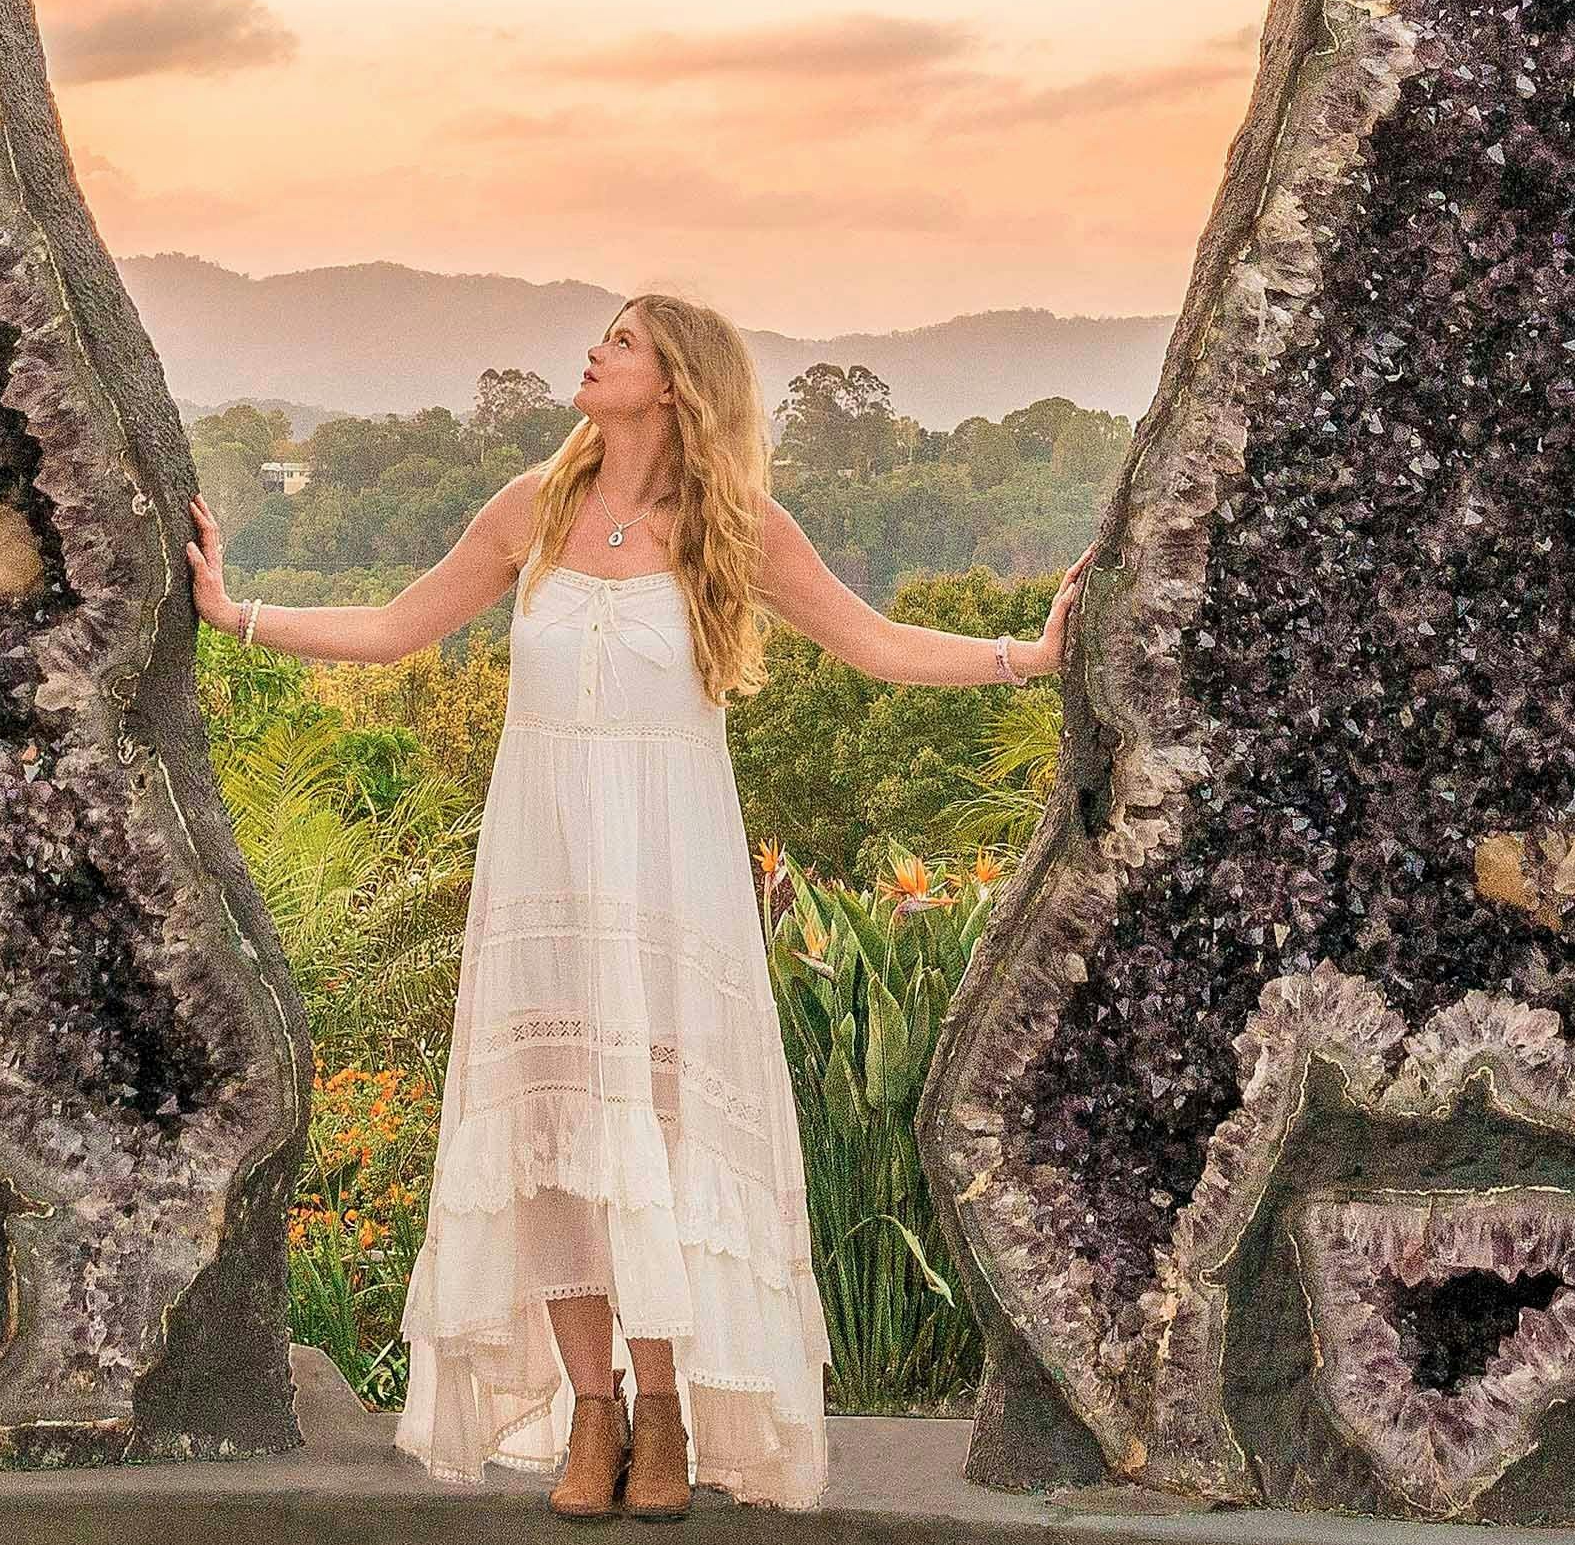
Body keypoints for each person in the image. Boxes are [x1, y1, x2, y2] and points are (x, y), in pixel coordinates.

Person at [191, 294, 1077, 1523]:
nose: (593, 349)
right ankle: (590, 1406)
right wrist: (237, 612)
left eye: (620, 340)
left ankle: (664, 1410)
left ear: (674, 383)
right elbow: (398, 628)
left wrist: (1021, 656)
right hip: (545, 872)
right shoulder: (531, 508)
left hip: (671, 881)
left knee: (656, 1133)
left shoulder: (734, 525)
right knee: (553, 1133)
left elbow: (872, 643)